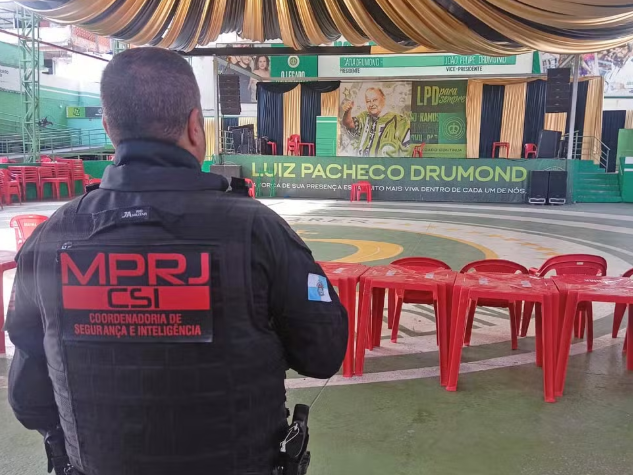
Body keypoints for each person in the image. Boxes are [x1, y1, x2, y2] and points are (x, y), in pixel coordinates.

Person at [6, 47, 348, 475]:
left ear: (109, 128)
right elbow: (323, 353)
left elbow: (28, 400)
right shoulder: (257, 230)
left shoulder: (50, 238)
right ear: (194, 126)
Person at [341, 87, 411, 157]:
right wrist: (348, 111)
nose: (371, 104)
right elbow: (348, 123)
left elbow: (409, 150)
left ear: (383, 99)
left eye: (374, 100)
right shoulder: (364, 117)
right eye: (368, 101)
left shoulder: (400, 121)